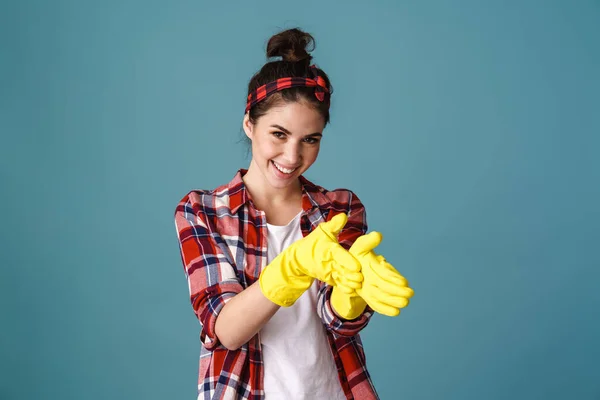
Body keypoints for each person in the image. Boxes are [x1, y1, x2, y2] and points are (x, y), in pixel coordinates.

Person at [174, 27, 414, 400]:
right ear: (249, 124)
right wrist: (293, 267)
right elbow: (227, 330)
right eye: (279, 134)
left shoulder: (340, 208)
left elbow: (337, 324)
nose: (292, 157)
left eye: (310, 139)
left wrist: (351, 295)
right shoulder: (202, 212)